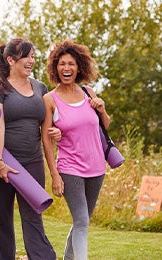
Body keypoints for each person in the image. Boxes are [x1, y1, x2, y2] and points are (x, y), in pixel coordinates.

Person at [0, 37, 59, 260]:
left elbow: (48, 126)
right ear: (11, 59)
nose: (31, 61)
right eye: (26, 56)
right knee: (1, 218)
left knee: (33, 215)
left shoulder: (40, 87)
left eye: (33, 56)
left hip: (32, 160)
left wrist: (57, 132)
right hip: (3, 160)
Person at [41, 39, 111, 260]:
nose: (66, 68)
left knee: (83, 221)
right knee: (81, 221)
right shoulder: (49, 100)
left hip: (97, 167)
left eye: (71, 63)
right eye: (61, 64)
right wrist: (54, 175)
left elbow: (104, 127)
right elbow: (46, 139)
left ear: (79, 67)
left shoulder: (88, 92)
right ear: (55, 68)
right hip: (70, 168)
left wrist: (102, 109)